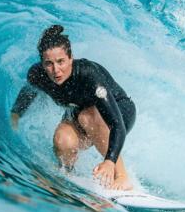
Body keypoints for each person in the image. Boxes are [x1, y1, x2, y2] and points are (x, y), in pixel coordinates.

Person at [10, 25, 136, 190]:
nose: (56, 70)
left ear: (71, 58)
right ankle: (68, 172)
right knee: (63, 139)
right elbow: (30, 91)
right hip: (83, 116)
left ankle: (122, 176)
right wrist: (15, 114)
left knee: (87, 116)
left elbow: (116, 123)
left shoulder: (88, 75)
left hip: (119, 112)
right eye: (49, 63)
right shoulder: (38, 74)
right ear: (42, 64)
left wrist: (109, 160)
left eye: (61, 61)